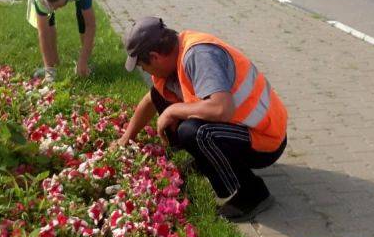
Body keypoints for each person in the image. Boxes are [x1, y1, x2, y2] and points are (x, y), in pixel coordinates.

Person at [117, 16, 288, 221]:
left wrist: (173, 111)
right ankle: (207, 161)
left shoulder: (198, 56)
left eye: (143, 66)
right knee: (163, 99)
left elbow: (222, 109)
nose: (144, 71)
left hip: (265, 139)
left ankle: (252, 193)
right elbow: (151, 100)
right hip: (242, 128)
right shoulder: (174, 58)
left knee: (193, 132)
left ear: (154, 57)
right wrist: (125, 138)